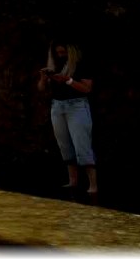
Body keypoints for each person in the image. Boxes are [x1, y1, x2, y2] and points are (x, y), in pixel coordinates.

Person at [38, 41, 96, 194]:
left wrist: (68, 80)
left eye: (63, 53)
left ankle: (93, 185)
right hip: (57, 106)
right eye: (58, 53)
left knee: (81, 143)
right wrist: (44, 78)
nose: (60, 56)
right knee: (64, 144)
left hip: (77, 105)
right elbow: (41, 89)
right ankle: (73, 181)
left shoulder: (81, 64)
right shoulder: (55, 65)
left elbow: (87, 88)